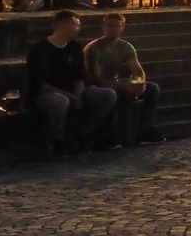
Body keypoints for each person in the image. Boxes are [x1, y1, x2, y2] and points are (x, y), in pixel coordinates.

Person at [26, 10, 117, 156]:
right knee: (60, 101)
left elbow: (80, 75)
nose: (78, 29)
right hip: (48, 93)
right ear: (63, 25)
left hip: (72, 90)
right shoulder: (40, 49)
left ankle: (83, 133)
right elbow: (39, 82)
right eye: (76, 25)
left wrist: (78, 94)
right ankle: (57, 141)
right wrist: (68, 95)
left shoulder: (74, 47)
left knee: (108, 95)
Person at [83, 13, 162, 145]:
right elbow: (97, 78)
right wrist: (125, 87)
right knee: (118, 94)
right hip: (96, 86)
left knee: (152, 88)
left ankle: (145, 131)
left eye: (116, 26)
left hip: (116, 82)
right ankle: (115, 137)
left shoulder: (125, 46)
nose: (113, 29)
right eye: (109, 26)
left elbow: (138, 71)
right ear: (103, 27)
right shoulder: (94, 48)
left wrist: (140, 84)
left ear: (122, 27)